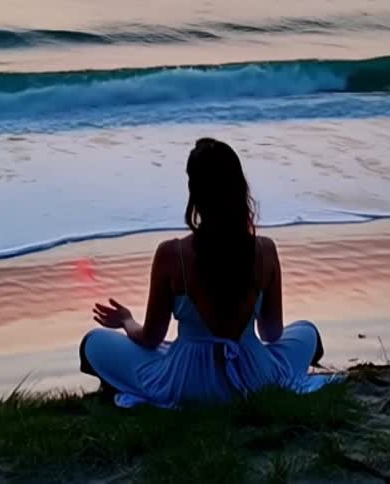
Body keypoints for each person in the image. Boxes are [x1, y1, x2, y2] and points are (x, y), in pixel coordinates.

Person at [79, 137, 332, 408]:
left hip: (188, 381)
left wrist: (126, 320)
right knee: (307, 333)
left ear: (194, 192)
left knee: (93, 344)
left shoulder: (171, 254)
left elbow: (150, 338)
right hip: (255, 376)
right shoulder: (264, 250)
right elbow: (271, 334)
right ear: (239, 188)